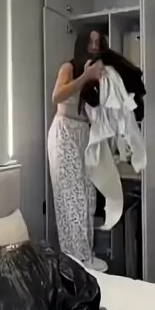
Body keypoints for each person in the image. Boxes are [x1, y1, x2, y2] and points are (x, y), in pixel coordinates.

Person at [48, 28, 108, 272]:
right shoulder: (69, 68)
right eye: (90, 41)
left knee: (88, 198)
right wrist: (85, 76)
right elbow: (56, 96)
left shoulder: (98, 74)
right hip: (64, 134)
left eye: (98, 42)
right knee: (72, 199)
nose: (94, 45)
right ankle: (74, 261)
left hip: (84, 135)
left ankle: (84, 256)